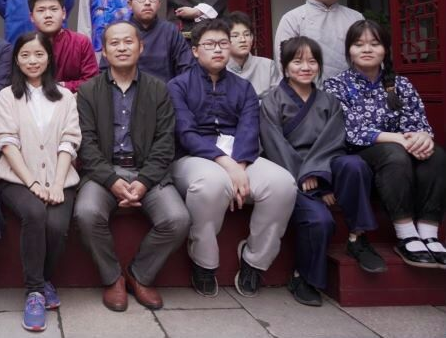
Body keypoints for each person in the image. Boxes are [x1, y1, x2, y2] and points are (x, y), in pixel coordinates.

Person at [167, 19, 297, 298]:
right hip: (193, 157)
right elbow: (185, 133)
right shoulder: (178, 86)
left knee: (282, 184)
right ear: (195, 51)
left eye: (223, 44)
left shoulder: (243, 87)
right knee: (211, 184)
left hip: (241, 155)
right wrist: (227, 166)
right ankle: (204, 261)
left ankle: (255, 260)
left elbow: (249, 129)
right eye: (210, 44)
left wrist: (240, 165)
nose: (218, 49)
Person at [74, 21, 190, 312]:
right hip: (103, 173)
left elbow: (165, 142)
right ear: (104, 51)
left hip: (146, 172)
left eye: (128, 41)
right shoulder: (88, 91)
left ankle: (140, 274)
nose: (122, 48)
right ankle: (113, 277)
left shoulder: (159, 89)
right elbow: (86, 144)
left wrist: (144, 181)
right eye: (114, 43)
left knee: (177, 219)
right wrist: (111, 180)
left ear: (141, 47)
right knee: (86, 213)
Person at [261, 36, 385, 307]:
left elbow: (333, 141)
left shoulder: (329, 101)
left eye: (312, 61)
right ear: (285, 66)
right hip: (290, 173)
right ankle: (302, 277)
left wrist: (321, 178)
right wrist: (305, 176)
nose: (306, 67)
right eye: (297, 61)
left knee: (355, 164)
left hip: (324, 168)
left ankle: (358, 236)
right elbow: (274, 145)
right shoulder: (271, 101)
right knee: (320, 221)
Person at [324, 20, 446, 268]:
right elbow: (352, 131)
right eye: (359, 44)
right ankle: (406, 234)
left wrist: (423, 136)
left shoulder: (401, 84)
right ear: (349, 50)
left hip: (400, 149)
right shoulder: (336, 85)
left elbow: (416, 121)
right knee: (394, 153)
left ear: (385, 50)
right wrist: (399, 138)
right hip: (361, 152)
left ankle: (428, 232)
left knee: (436, 154)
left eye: (375, 43)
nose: (367, 49)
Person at [0, 31, 81, 331]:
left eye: (39, 54)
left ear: (49, 58)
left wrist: (56, 184)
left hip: (59, 178)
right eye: (25, 55)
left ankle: (43, 280)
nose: (32, 60)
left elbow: (69, 141)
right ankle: (34, 292)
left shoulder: (65, 97)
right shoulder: (7, 96)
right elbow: (7, 143)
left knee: (57, 225)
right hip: (17, 180)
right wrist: (33, 184)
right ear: (16, 60)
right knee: (35, 212)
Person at [274, 0, 363, 80]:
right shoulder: (292, 18)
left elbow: (367, 55)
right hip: (306, 87)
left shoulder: (355, 17)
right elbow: (282, 59)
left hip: (350, 87)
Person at [99, 0, 193, 83]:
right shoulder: (118, 31)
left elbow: (186, 68)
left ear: (159, 3)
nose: (147, 3)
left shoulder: (170, 30)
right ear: (130, 4)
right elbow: (104, 72)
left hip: (164, 90)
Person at [28, 0, 98, 93]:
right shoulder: (26, 45)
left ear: (64, 13)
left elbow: (92, 81)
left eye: (53, 9)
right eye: (41, 10)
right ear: (32, 17)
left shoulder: (80, 42)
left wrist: (62, 86)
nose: (48, 15)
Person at [226, 11, 280, 99]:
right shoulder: (219, 69)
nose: (243, 40)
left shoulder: (268, 65)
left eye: (247, 34)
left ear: (252, 38)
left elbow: (277, 100)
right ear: (225, 41)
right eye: (235, 36)